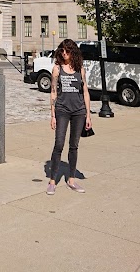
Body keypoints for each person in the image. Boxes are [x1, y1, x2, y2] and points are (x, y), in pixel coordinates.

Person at [46, 38, 92, 194]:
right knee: (59, 144)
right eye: (62, 51)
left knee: (74, 145)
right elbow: (53, 92)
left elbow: (85, 92)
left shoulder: (80, 69)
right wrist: (52, 115)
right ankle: (52, 181)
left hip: (79, 111)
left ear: (73, 52)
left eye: (67, 51)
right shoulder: (57, 69)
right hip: (62, 110)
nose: (64, 53)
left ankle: (71, 179)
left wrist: (88, 115)